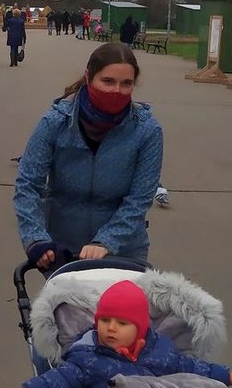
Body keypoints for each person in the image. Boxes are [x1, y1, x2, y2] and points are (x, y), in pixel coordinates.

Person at [13, 42, 162, 267]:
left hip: (123, 250)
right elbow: (27, 184)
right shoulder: (55, 123)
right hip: (63, 248)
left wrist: (106, 241)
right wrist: (35, 238)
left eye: (126, 84)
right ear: (88, 76)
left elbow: (139, 199)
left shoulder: (147, 131)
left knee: (122, 302)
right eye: (108, 81)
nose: (116, 91)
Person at [1, 278, 232, 388]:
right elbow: (62, 379)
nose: (111, 328)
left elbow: (190, 368)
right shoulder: (88, 356)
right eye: (105, 320)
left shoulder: (163, 349)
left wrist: (226, 375)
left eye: (122, 324)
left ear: (141, 328)